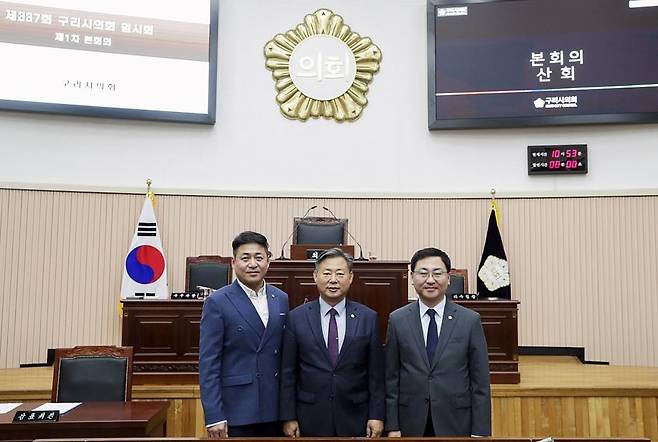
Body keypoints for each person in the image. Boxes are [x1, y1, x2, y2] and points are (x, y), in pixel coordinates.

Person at [385, 247, 491, 437]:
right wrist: (392, 426)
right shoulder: (397, 320)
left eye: (437, 273)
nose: (430, 280)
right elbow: (391, 378)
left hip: (456, 420)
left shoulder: (469, 320)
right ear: (412, 277)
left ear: (448, 278)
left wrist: (480, 432)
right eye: (423, 273)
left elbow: (480, 382)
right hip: (411, 420)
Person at [280, 248, 385, 437]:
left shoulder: (367, 317)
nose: (333, 280)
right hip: (309, 416)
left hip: (356, 414)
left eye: (340, 273)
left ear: (351, 277)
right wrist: (288, 417)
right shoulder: (296, 318)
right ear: (315, 276)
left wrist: (376, 415)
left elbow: (376, 374)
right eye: (327, 273)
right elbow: (288, 373)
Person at [199, 231, 289, 438]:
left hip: (275, 408)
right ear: (234, 262)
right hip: (237, 410)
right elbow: (209, 363)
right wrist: (214, 415)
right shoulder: (218, 302)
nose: (253, 264)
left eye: (259, 257)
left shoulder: (281, 298)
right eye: (245, 258)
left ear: (268, 261)